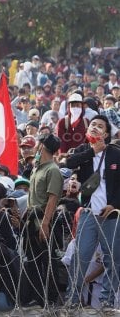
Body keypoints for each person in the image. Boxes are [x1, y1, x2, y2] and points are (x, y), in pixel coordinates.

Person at [64, 115, 120, 311]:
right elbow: (69, 162)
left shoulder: (115, 153)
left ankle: (107, 301)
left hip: (110, 216)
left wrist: (113, 205)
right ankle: (72, 298)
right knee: (81, 256)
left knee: (113, 258)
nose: (95, 127)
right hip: (88, 213)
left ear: (106, 133)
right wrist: (92, 151)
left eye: (100, 126)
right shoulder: (83, 150)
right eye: (93, 124)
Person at [21, 133, 62, 307]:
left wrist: (45, 224)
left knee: (46, 261)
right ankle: (35, 297)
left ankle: (50, 299)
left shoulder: (52, 170)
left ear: (43, 147)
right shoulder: (38, 168)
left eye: (38, 144)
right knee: (32, 261)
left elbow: (52, 198)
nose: (36, 147)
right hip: (31, 220)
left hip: (43, 220)